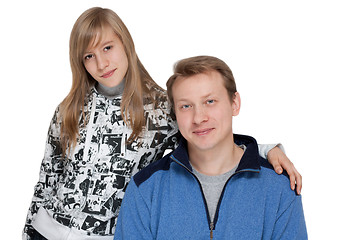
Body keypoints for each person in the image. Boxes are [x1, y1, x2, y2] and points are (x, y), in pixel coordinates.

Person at [22, 7, 301, 240]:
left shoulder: (160, 108)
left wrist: (266, 151)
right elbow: (48, 176)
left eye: (108, 47)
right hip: (48, 230)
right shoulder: (68, 108)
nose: (102, 63)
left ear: (125, 44)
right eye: (89, 56)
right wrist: (27, 232)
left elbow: (207, 136)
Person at [115, 56, 307, 239]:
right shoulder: (145, 189)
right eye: (186, 106)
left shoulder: (280, 188)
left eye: (210, 101)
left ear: (235, 103)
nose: (199, 118)